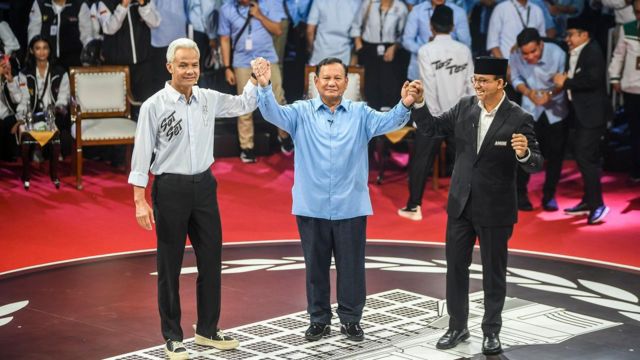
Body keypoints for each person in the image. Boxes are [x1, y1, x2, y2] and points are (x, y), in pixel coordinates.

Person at [253, 56, 422, 342]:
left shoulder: (361, 113)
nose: (331, 83)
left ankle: (351, 320)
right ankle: (318, 319)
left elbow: (390, 122)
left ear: (347, 82)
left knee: (352, 268)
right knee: (315, 267)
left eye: (337, 78)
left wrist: (405, 103)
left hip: (351, 205)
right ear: (315, 82)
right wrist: (265, 84)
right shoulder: (300, 112)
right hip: (312, 205)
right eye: (326, 78)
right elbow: (271, 112)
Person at [128, 38, 258, 360]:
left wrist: (255, 80)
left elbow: (243, 105)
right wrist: (139, 200)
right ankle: (173, 336)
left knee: (212, 261)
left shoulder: (208, 99)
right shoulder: (153, 106)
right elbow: (141, 155)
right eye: (183, 65)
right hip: (169, 189)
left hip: (205, 188)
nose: (190, 71)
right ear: (169, 66)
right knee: (169, 266)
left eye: (194, 65)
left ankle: (207, 329)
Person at [411, 56, 543, 355]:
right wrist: (419, 105)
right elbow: (431, 128)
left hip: (496, 210)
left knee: (494, 273)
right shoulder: (464, 107)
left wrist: (524, 155)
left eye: (484, 81)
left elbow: (536, 163)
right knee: (456, 268)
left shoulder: (519, 117)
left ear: (501, 83)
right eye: (476, 80)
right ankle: (457, 327)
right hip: (460, 205)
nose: (478, 85)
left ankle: (491, 331)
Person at [398, 5, 474, 221]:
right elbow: (471, 85)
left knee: (421, 161)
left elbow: (429, 86)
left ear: (431, 27)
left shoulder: (425, 51)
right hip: (461, 115)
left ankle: (414, 207)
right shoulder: (464, 50)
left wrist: (438, 117)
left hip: (433, 115)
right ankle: (464, 207)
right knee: (463, 162)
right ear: (452, 26)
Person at [218, 0, 292, 163]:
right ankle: (247, 147)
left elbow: (278, 30)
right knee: (245, 105)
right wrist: (227, 67)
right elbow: (224, 39)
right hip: (242, 62)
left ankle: (284, 136)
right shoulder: (227, 9)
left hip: (268, 60)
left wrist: (259, 15)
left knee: (279, 100)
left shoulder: (270, 4)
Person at [553, 17, 610, 224]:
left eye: (571, 34)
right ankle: (589, 201)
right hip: (581, 113)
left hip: (592, 115)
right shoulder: (579, 50)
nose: (567, 38)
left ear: (584, 35)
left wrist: (565, 81)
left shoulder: (593, 52)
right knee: (585, 158)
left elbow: (592, 80)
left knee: (586, 159)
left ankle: (598, 205)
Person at [510, 28, 569, 211]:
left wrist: (550, 94)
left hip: (556, 110)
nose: (529, 57)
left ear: (541, 45)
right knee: (525, 154)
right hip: (530, 110)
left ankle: (549, 195)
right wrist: (527, 92)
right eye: (525, 53)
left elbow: (564, 80)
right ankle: (520, 194)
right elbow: (515, 77)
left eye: (533, 51)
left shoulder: (557, 53)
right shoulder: (515, 55)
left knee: (555, 156)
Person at [17, 36, 71, 189]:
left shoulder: (60, 72)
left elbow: (62, 98)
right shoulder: (24, 73)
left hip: (54, 112)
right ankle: (33, 157)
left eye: (45, 48)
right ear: (32, 51)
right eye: (38, 48)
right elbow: (24, 98)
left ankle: (50, 160)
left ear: (50, 50)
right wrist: (24, 115)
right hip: (33, 112)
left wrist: (56, 109)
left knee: (59, 122)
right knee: (28, 122)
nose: (42, 52)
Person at [96, 0, 160, 102]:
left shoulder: (145, 1)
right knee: (119, 105)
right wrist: (123, 5)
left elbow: (156, 22)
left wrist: (143, 5)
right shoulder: (104, 3)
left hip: (143, 64)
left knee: (146, 104)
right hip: (117, 66)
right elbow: (109, 28)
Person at [351, 0, 409, 111]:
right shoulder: (369, 3)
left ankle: (389, 117)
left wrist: (395, 46)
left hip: (391, 49)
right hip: (368, 48)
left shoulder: (400, 7)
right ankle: (371, 114)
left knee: (390, 84)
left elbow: (403, 34)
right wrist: (359, 46)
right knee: (369, 85)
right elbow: (356, 25)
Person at [609, 0, 640, 184]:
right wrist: (614, 77)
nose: (639, 16)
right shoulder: (628, 28)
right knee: (635, 132)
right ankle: (636, 169)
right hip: (631, 88)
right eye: (637, 12)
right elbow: (618, 54)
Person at [402, 0, 471, 81]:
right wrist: (427, 51)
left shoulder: (459, 12)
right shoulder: (417, 11)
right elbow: (407, 40)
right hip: (419, 72)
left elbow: (465, 43)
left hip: (450, 71)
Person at [28, 0, 94, 69]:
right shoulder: (39, 4)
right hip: (46, 60)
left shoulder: (80, 5)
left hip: (73, 62)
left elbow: (87, 37)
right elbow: (33, 35)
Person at [306, 0, 361, 66]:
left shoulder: (319, 1)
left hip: (320, 55)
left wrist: (311, 49)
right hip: (345, 58)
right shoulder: (357, 2)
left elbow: (310, 31)